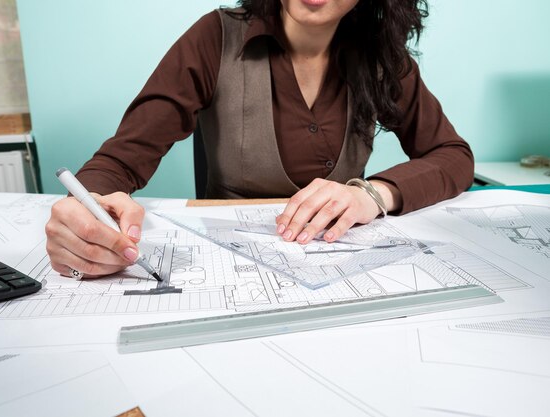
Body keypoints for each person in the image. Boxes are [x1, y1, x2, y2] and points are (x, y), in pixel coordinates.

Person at [45, 0, 473, 279]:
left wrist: (372, 194)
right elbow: (122, 157)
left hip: (342, 266)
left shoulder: (382, 56)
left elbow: (453, 155)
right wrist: (87, 208)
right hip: (226, 270)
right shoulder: (215, 36)